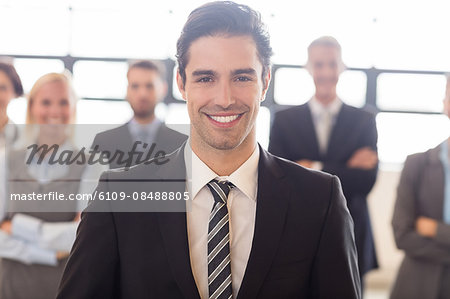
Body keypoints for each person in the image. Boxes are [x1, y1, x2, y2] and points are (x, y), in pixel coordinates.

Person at [57, 2, 361, 298]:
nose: (224, 98)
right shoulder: (118, 196)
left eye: (242, 77)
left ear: (265, 81)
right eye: (206, 78)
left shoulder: (320, 199)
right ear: (181, 83)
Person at [268, 36, 379, 287]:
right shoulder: (284, 120)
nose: (327, 72)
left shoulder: (364, 120)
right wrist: (344, 168)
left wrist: (313, 167)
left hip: (352, 228)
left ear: (342, 67)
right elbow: (279, 180)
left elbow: (366, 181)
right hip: (298, 229)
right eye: (319, 64)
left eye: (332, 64)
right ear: (308, 68)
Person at [0, 72, 103, 299]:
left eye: (63, 102)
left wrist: (18, 226)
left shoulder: (90, 165)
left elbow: (81, 236)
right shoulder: (5, 161)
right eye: (46, 102)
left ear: (74, 108)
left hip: (64, 288)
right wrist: (49, 253)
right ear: (32, 107)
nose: (55, 111)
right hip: (10, 288)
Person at [390, 75, 450, 299]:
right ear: (445, 102)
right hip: (416, 285)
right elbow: (402, 234)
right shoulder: (416, 164)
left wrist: (435, 230)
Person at [91, 60, 187, 169]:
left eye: (149, 86)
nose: (142, 94)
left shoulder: (182, 144)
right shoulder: (103, 142)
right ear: (127, 90)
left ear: (163, 89)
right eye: (135, 86)